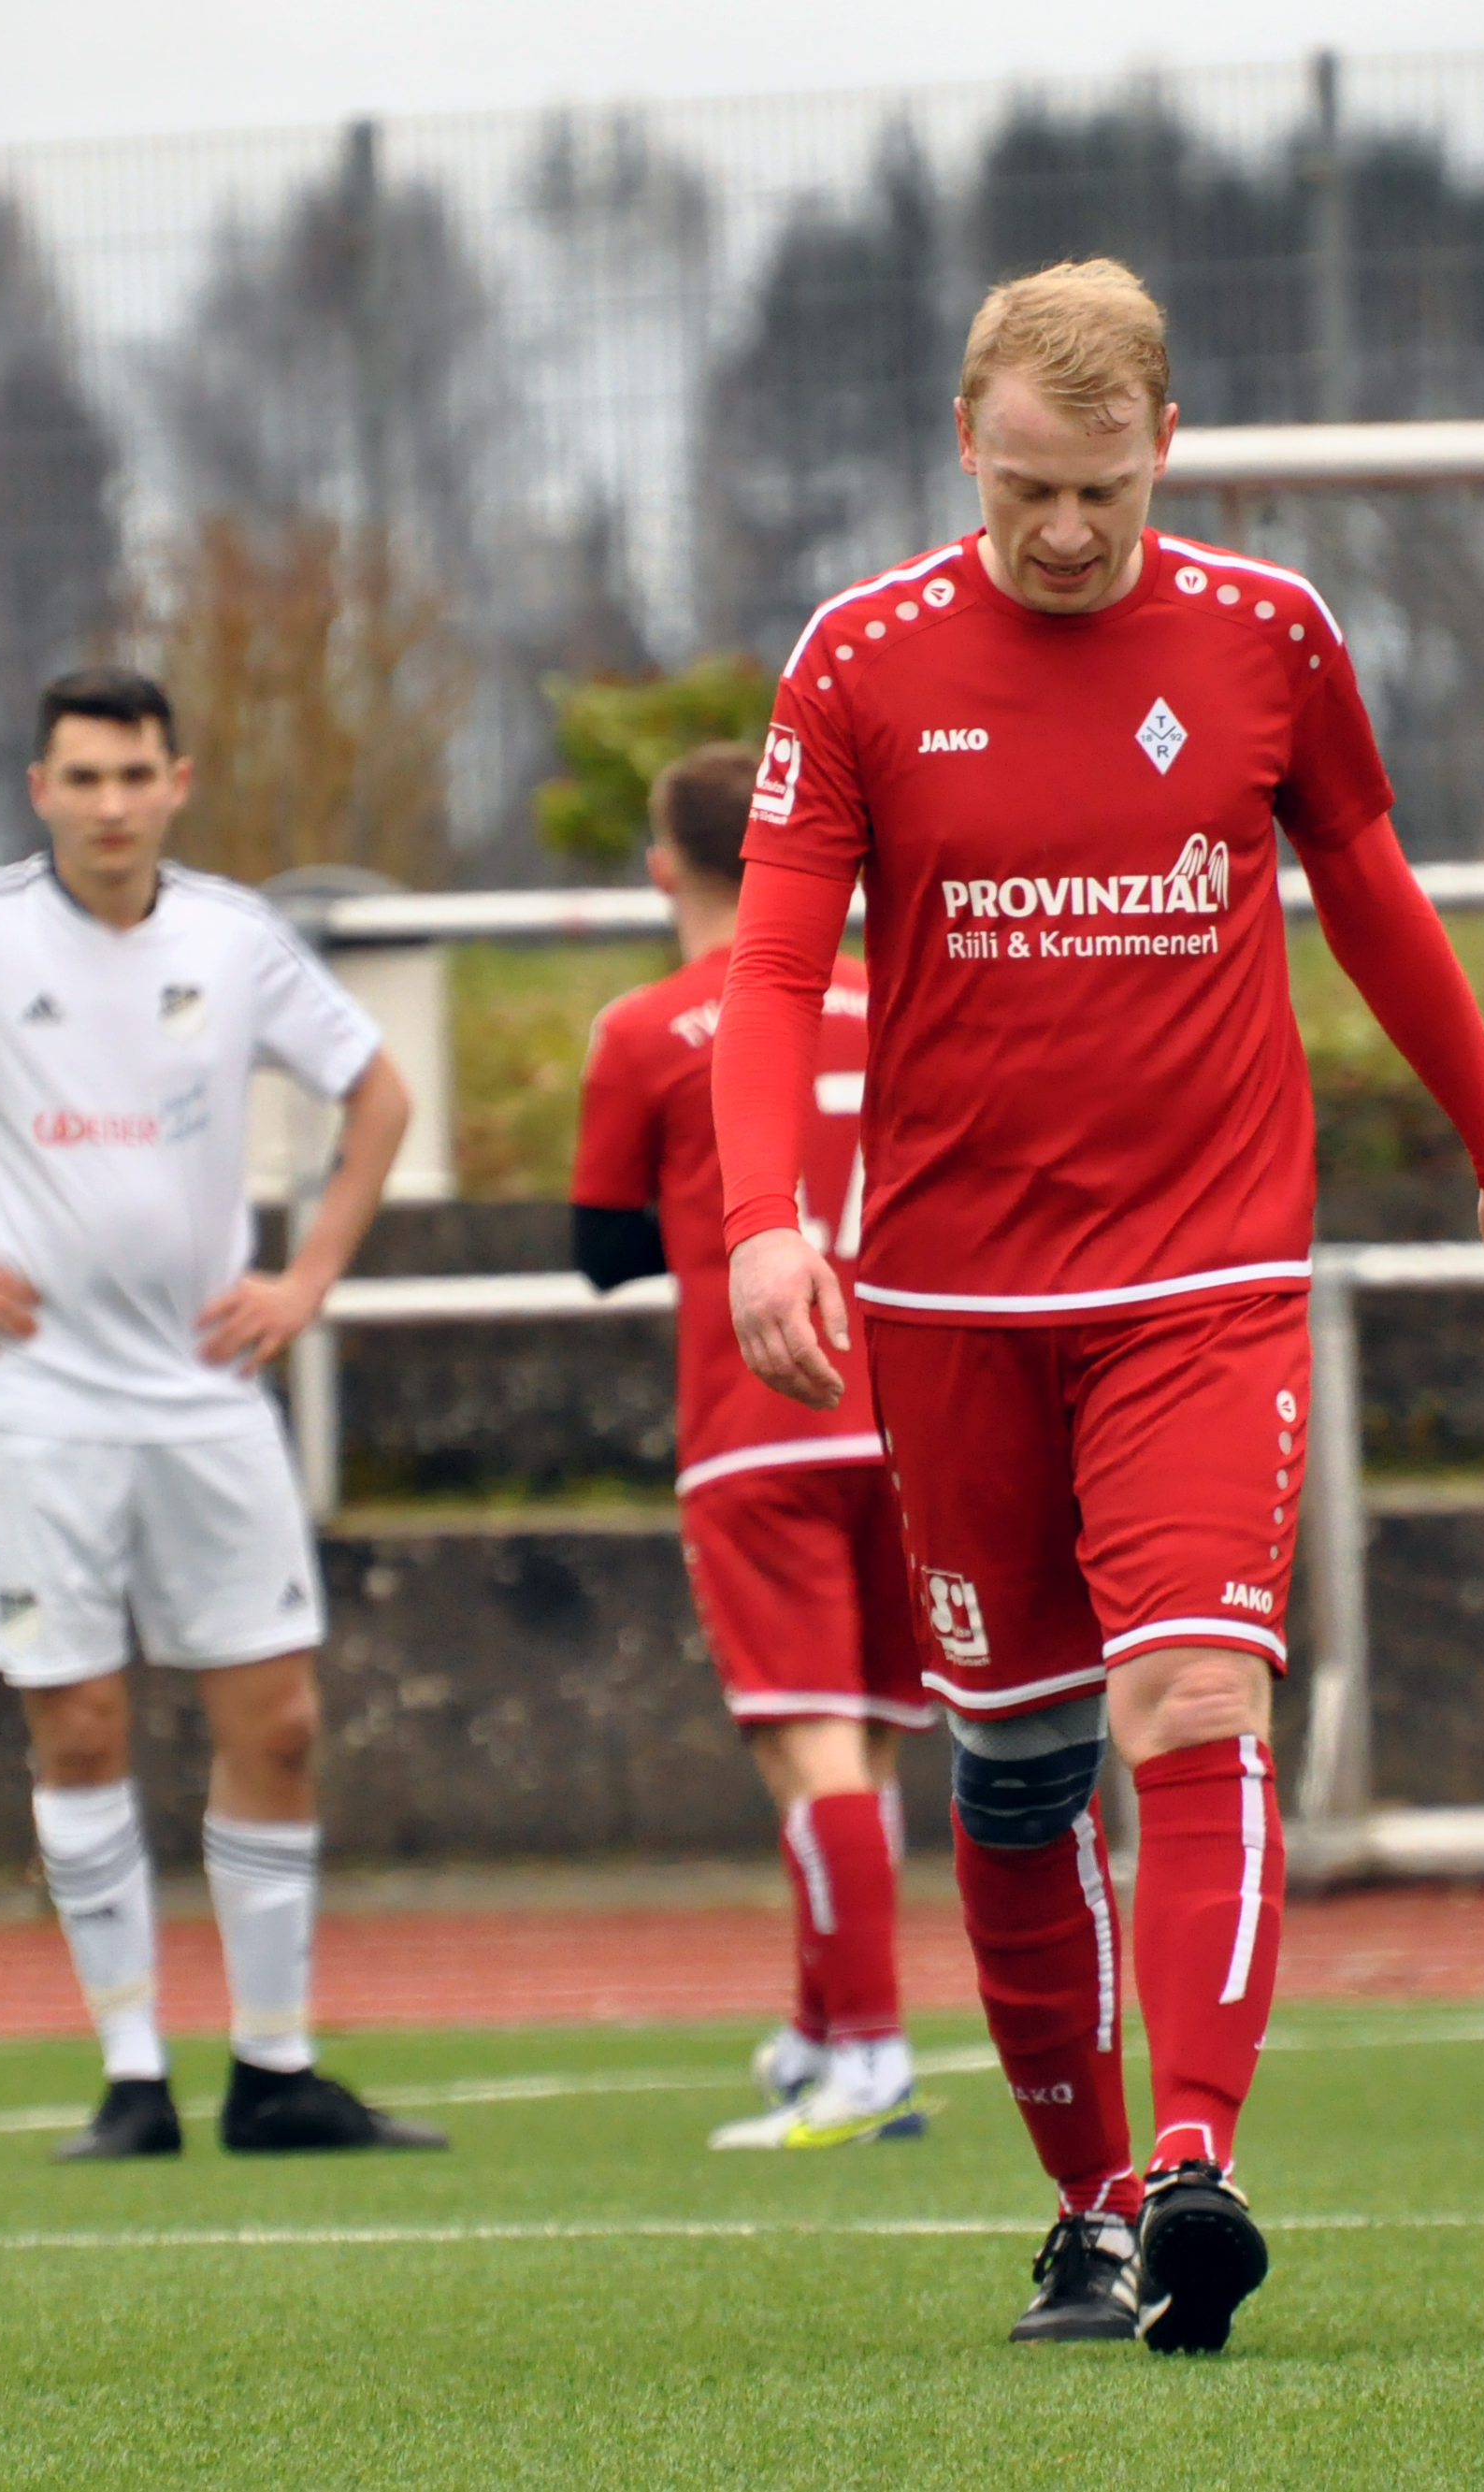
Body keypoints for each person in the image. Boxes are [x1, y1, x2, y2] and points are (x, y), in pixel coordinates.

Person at [713, 258, 1484, 2354]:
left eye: (1099, 486)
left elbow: (1369, 891)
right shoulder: (856, 660)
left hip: (1200, 1283)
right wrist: (765, 1214)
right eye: (1027, 488)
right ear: (963, 448)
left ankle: (1195, 2155)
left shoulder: (1271, 641)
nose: (1067, 531)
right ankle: (1084, 2208)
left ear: (1162, 444)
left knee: (1191, 1703)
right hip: (943, 1305)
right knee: (1010, 1777)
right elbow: (765, 967)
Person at [0, 666, 447, 2163]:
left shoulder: (236, 936)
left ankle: (274, 2068)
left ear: (177, 783)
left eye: (136, 776)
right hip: (34, 1397)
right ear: (40, 790)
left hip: (206, 1388)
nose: (112, 805)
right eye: (84, 778)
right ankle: (133, 2074)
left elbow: (376, 1093)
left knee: (283, 1717)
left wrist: (307, 1274)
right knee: (81, 1721)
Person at [571, 741, 934, 2152]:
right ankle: (825, 2021)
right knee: (870, 1746)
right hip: (909, 1421)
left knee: (807, 1747)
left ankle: (874, 2060)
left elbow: (602, 1248)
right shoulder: (892, 1000)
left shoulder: (651, 1025)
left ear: (664, 865)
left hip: (758, 1423)